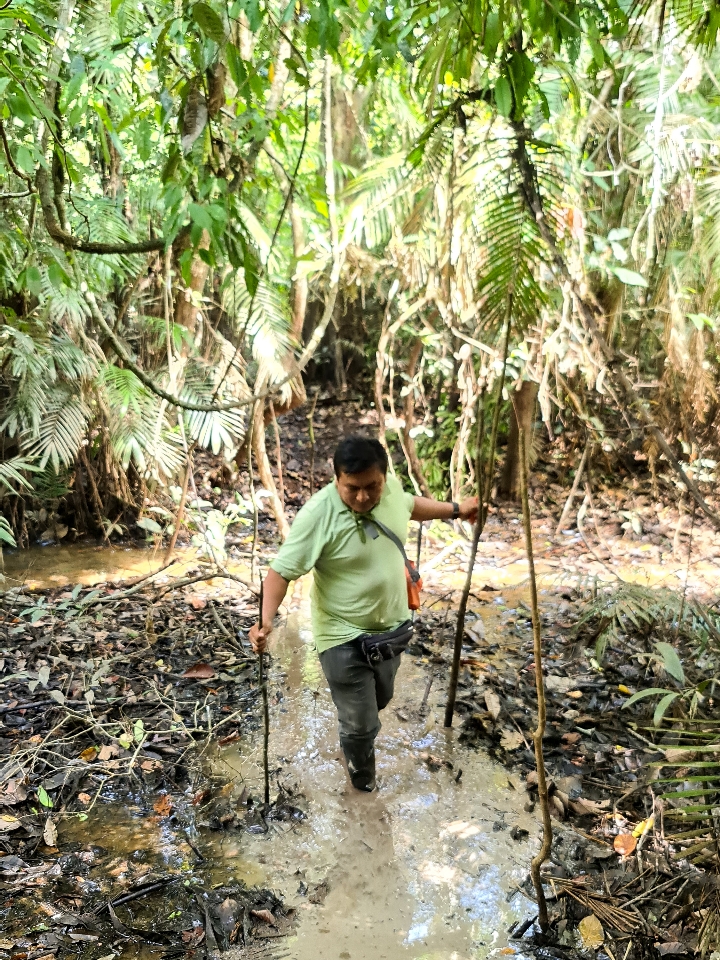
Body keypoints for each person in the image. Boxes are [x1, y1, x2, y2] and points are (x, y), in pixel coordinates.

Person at [249, 435, 477, 792]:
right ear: (336, 479)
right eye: (351, 488)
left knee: (379, 700)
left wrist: (456, 510)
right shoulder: (317, 515)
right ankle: (362, 787)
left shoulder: (389, 491)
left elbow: (407, 505)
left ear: (384, 478)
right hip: (340, 635)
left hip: (391, 630)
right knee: (361, 724)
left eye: (372, 487)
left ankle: (355, 738)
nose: (362, 497)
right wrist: (265, 620)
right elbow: (280, 572)